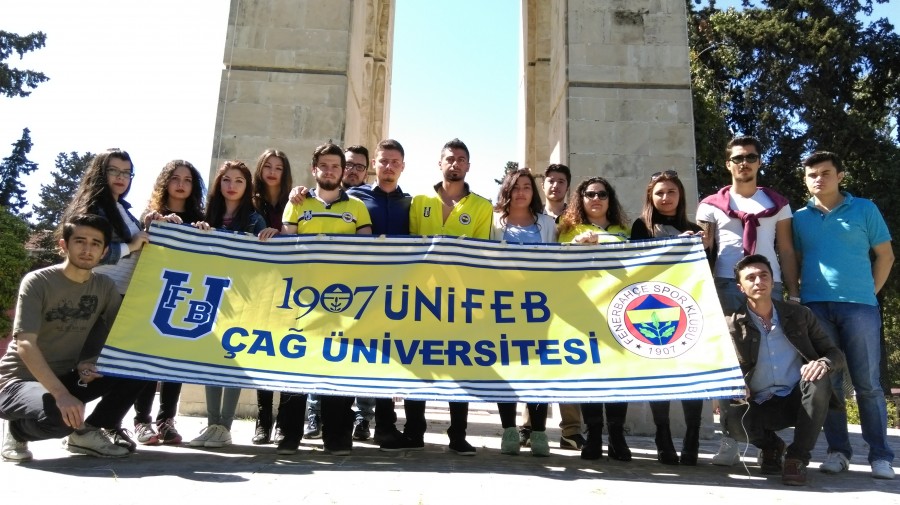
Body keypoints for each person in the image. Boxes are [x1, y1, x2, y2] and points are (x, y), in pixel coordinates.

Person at [0, 215, 145, 462]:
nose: (87, 249)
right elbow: (25, 343)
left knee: (139, 368)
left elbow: (120, 331)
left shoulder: (104, 286)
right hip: (18, 382)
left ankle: (86, 431)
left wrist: (89, 360)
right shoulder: (38, 281)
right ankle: (17, 431)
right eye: (80, 241)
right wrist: (61, 395)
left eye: (95, 243)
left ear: (104, 251)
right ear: (64, 245)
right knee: (61, 417)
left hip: (67, 376)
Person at [696, 135, 801, 466]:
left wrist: (793, 292)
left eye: (751, 157)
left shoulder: (777, 203)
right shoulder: (710, 204)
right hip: (726, 285)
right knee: (730, 364)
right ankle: (730, 439)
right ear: (728, 163)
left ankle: (767, 440)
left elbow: (786, 249)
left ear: (759, 162)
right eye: (738, 158)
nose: (745, 163)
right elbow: (702, 248)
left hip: (770, 285)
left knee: (768, 361)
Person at [792, 151, 895, 480]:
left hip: (859, 307)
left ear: (840, 176)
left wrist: (869, 293)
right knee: (830, 384)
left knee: (868, 384)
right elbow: (795, 259)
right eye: (812, 175)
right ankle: (838, 452)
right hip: (815, 308)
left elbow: (885, 256)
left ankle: (881, 456)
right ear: (805, 180)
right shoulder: (798, 218)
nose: (818, 179)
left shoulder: (864, 209)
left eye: (825, 173)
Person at [283, 143, 372, 455]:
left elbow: (367, 253)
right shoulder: (297, 203)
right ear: (314, 169)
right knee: (294, 361)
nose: (331, 171)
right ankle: (289, 435)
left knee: (339, 365)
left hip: (342, 300)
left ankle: (337, 436)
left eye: (336, 166)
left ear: (342, 170)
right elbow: (287, 248)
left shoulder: (357, 208)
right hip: (302, 298)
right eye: (324, 165)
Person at [723, 254, 844, 486]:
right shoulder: (730, 324)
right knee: (733, 423)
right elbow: (719, 366)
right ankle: (772, 446)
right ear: (740, 287)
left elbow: (834, 353)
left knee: (819, 378)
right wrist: (734, 382)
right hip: (757, 402)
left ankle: (796, 458)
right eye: (751, 278)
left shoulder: (800, 315)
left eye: (764, 275)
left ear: (773, 281)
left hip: (798, 399)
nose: (759, 281)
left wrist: (823, 363)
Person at [59, 147, 150, 451]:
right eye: (113, 171)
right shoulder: (93, 207)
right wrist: (131, 246)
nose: (121, 177)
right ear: (100, 172)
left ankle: (95, 426)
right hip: (97, 298)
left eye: (126, 172)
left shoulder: (122, 208)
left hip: (123, 300)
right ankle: (44, 416)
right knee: (95, 367)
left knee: (137, 366)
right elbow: (89, 254)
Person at [409, 138, 492, 456]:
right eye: (450, 158)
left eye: (461, 159)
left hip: (461, 299)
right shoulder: (419, 201)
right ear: (439, 163)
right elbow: (411, 248)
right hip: (421, 297)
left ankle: (458, 434)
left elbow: (480, 254)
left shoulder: (482, 206)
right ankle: (414, 430)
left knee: (460, 364)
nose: (455, 163)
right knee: (418, 361)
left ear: (468, 166)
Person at [188, 160, 278, 450]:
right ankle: (212, 424)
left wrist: (272, 236)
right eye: (227, 179)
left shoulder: (254, 219)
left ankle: (224, 426)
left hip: (242, 298)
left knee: (232, 359)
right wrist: (197, 231)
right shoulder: (207, 216)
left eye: (239, 180)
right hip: (211, 295)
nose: (232, 185)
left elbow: (265, 258)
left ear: (247, 186)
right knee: (210, 359)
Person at [341, 139, 424, 452]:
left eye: (395, 162)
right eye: (383, 161)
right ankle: (357, 425)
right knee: (362, 358)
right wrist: (300, 193)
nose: (389, 167)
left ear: (403, 166)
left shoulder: (411, 203)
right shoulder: (354, 198)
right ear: (374, 165)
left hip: (401, 294)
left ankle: (401, 427)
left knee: (399, 359)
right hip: (360, 292)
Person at [630, 170, 707, 465]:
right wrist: (673, 246)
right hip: (652, 307)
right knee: (659, 374)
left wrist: (702, 246)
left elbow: (706, 271)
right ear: (650, 196)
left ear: (680, 195)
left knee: (693, 374)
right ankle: (662, 435)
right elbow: (636, 264)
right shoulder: (641, 226)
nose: (665, 198)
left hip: (689, 308)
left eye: (671, 192)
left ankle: (692, 436)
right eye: (659, 193)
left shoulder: (694, 228)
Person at [131, 160, 206, 446]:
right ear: (165, 182)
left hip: (185, 295)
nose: (181, 184)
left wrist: (203, 232)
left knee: (174, 362)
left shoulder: (199, 218)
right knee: (146, 362)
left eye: (187, 180)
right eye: (175, 178)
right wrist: (154, 224)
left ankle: (167, 420)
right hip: (152, 294)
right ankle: (142, 420)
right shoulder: (150, 215)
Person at [557, 176, 632, 462]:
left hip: (620, 310)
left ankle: (617, 436)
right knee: (591, 374)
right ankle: (594, 435)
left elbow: (633, 255)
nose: (596, 199)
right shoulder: (568, 229)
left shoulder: (623, 230)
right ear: (581, 198)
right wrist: (577, 245)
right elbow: (560, 262)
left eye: (602, 194)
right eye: (590, 194)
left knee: (619, 375)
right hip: (585, 311)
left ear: (610, 199)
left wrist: (601, 240)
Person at [520, 163, 585, 451]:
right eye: (551, 181)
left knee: (567, 361)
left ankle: (571, 429)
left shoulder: (577, 218)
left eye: (561, 181)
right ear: (543, 185)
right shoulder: (532, 216)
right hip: (535, 300)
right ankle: (528, 426)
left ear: (567, 187)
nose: (555, 186)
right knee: (534, 362)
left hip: (569, 298)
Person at [489, 169, 554, 457]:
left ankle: (538, 431)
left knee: (538, 368)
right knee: (507, 367)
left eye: (527, 187)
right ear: (507, 191)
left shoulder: (548, 224)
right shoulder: (494, 222)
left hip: (539, 307)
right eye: (516, 187)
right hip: (502, 305)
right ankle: (508, 430)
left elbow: (559, 260)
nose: (521, 192)